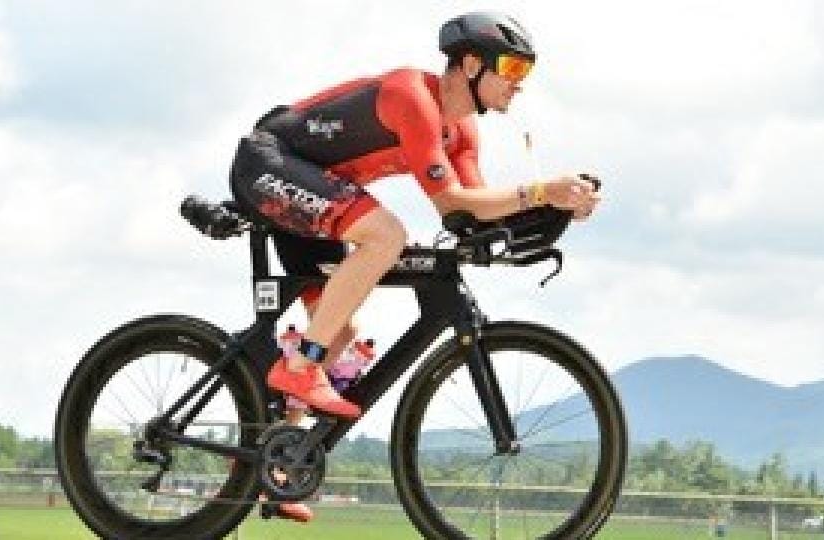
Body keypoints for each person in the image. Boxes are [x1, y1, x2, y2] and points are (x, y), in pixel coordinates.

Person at [229, 11, 601, 522]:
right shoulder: (413, 97)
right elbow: (450, 198)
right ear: (470, 64)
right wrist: (540, 190)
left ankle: (278, 467)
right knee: (385, 236)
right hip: (268, 163)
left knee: (341, 325)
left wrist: (554, 210)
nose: (519, 85)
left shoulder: (464, 132)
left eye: (526, 75)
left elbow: (468, 211)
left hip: (312, 186)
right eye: (512, 69)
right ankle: (300, 366)